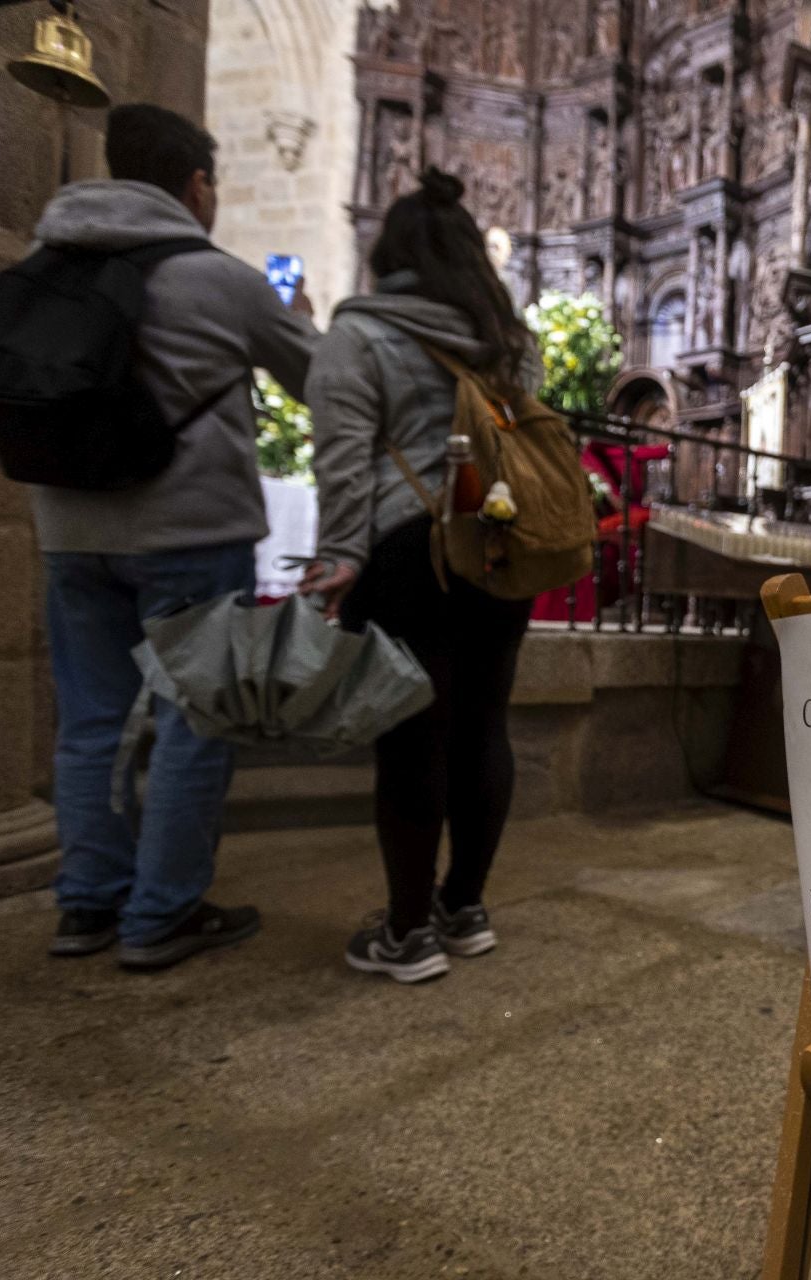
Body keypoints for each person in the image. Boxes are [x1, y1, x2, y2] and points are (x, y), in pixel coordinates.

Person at [34, 104, 317, 969]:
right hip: (191, 532)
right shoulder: (219, 279)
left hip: (72, 529)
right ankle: (161, 914)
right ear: (196, 187)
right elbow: (318, 379)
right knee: (195, 722)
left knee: (88, 724)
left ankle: (88, 904)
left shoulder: (45, 262)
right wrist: (295, 312)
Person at [300, 168, 538, 984]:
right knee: (483, 727)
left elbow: (343, 462)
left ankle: (407, 932)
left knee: (412, 738)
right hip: (502, 545)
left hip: (406, 552)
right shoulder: (507, 340)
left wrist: (338, 559)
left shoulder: (358, 336)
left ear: (387, 253)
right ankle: (463, 908)